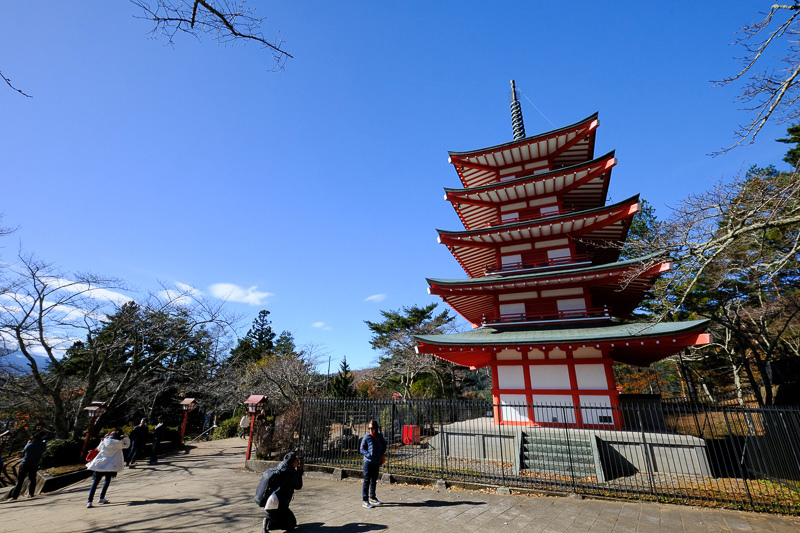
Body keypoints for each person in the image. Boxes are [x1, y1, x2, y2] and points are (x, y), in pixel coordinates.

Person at [86, 429, 130, 508]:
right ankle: (101, 497)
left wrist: (104, 439)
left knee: (95, 482)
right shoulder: (119, 443)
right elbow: (127, 445)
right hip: (110, 466)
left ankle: (89, 501)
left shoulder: (105, 441)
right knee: (107, 481)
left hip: (100, 464)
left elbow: (98, 449)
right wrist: (126, 437)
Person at [263, 451, 304, 533]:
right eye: (296, 460)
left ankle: (271, 520)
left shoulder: (282, 467)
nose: (298, 462)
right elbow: (298, 486)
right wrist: (300, 469)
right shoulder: (288, 473)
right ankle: (268, 523)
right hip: (277, 505)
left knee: (291, 521)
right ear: (292, 462)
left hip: (273, 503)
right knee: (290, 525)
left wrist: (298, 470)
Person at [359, 419, 387, 508]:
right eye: (369, 428)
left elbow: (384, 445)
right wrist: (369, 455)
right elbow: (361, 449)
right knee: (367, 480)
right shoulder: (367, 437)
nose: (370, 430)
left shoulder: (379, 436)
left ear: (376, 428)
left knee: (374, 480)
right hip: (368, 462)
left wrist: (380, 454)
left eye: (372, 428)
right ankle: (365, 500)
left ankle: (373, 497)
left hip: (376, 461)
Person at [10, 433, 46, 499]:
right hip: (34, 464)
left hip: (25, 463)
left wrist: (27, 444)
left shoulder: (29, 445)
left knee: (20, 481)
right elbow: (44, 443)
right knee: (32, 479)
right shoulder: (42, 445)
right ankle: (31, 494)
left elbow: (23, 453)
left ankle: (15, 496)